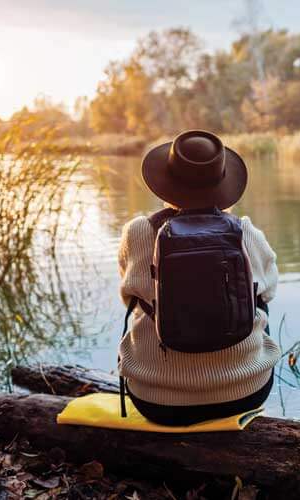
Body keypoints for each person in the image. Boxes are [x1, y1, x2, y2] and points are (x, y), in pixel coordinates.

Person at [117, 130, 280, 426]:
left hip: (156, 400)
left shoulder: (138, 232)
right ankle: (239, 368)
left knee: (144, 307)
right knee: (259, 301)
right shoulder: (246, 232)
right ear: (222, 183)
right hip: (245, 392)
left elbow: (128, 296)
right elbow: (268, 292)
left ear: (165, 184)